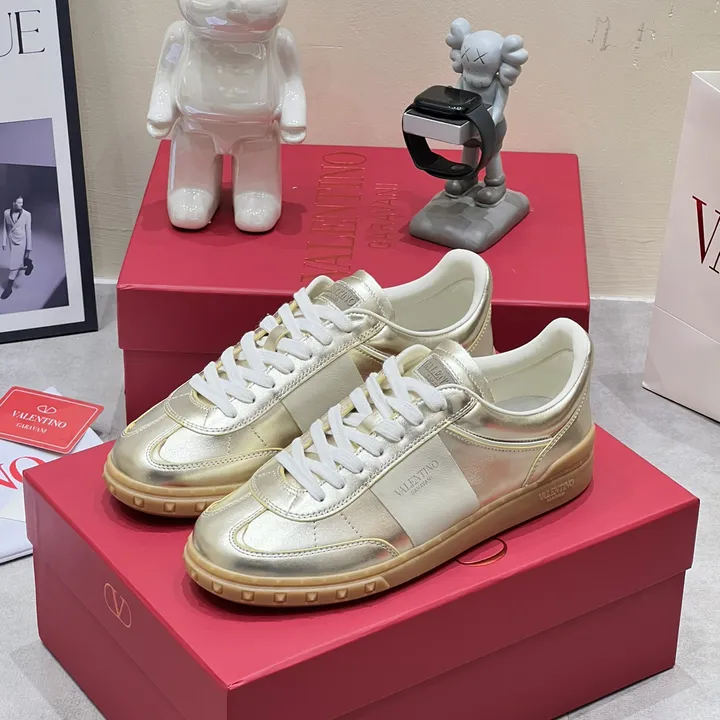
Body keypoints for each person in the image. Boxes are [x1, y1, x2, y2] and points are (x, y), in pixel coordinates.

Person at [1, 196, 32, 300]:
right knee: (18, 260)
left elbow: (28, 231)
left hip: (22, 240)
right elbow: (5, 227)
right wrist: (4, 242)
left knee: (14, 264)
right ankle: (28, 263)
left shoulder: (27, 215)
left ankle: (9, 287)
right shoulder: (6, 213)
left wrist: (29, 247)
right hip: (12, 240)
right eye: (19, 203)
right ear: (13, 203)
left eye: (22, 203)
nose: (21, 205)